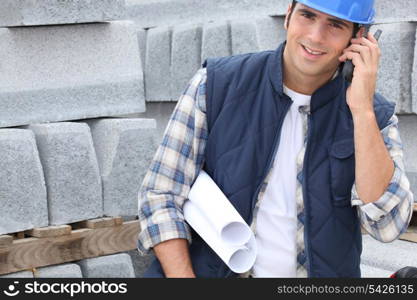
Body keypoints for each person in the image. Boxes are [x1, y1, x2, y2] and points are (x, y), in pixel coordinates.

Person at [136, 0, 414, 278]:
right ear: (288, 15)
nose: (316, 36)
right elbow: (161, 195)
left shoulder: (372, 114)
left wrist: (361, 110)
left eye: (335, 25)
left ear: (359, 39)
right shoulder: (215, 85)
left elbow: (388, 226)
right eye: (307, 16)